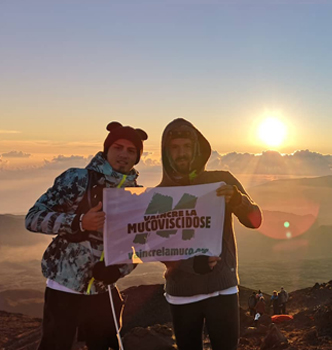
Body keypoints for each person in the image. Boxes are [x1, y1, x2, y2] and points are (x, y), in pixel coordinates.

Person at [25, 122, 148, 350]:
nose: (124, 155)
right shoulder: (77, 179)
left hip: (103, 290)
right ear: (106, 149)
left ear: (138, 157)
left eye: (131, 151)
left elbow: (139, 244)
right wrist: (79, 222)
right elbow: (32, 218)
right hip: (64, 286)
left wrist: (118, 270)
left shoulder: (136, 194)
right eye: (118, 147)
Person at [159, 118, 262, 350]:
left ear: (196, 149)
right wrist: (190, 264)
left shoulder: (222, 180)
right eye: (175, 148)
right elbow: (157, 246)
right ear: (166, 153)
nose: (181, 153)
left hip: (221, 288)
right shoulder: (161, 193)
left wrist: (238, 200)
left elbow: (255, 220)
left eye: (186, 146)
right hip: (182, 292)